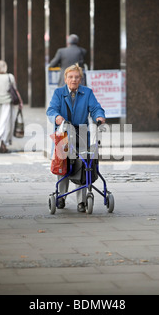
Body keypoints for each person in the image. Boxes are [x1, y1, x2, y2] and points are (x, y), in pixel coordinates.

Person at [46, 63, 105, 212]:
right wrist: (57, 117)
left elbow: (96, 108)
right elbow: (51, 110)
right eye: (71, 77)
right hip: (64, 133)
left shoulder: (87, 92)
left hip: (82, 132)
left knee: (83, 164)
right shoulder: (59, 93)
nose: (74, 80)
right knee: (63, 164)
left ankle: (81, 202)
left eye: (77, 77)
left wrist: (99, 116)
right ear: (65, 78)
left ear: (80, 79)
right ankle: (61, 197)